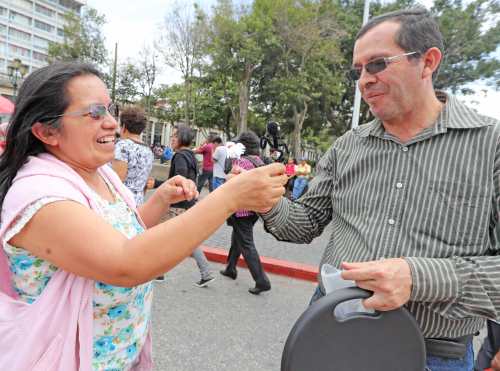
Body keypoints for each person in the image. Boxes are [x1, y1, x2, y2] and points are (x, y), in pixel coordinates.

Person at [0, 62, 287, 370]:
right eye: (95, 113)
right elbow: (126, 262)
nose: (112, 122)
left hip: (122, 356)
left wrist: (162, 198)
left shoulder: (97, 172)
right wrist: (228, 197)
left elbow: (124, 231)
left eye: (111, 110)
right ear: (47, 131)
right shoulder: (40, 195)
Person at [261, 8, 500, 371]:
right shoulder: (348, 145)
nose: (363, 81)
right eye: (358, 70)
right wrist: (265, 199)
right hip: (332, 329)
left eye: (377, 64)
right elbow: (304, 222)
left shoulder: (490, 145)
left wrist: (419, 277)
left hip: (430, 353)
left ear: (428, 61)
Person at [220, 131, 271, 295]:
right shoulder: (259, 161)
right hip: (253, 209)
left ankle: (261, 280)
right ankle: (231, 268)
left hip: (241, 209)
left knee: (246, 243)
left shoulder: (241, 163)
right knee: (238, 238)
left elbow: (228, 176)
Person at [166, 124, 215, 287]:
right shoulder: (191, 156)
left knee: (157, 234)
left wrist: (157, 184)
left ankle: (156, 271)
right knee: (188, 241)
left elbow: (180, 179)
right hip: (187, 203)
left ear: (181, 139)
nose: (171, 139)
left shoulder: (180, 156)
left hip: (177, 205)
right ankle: (206, 273)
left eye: (174, 136)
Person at [111, 105, 154, 206]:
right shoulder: (148, 150)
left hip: (122, 202)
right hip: (138, 201)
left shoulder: (123, 146)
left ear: (124, 127)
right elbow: (144, 184)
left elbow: (117, 181)